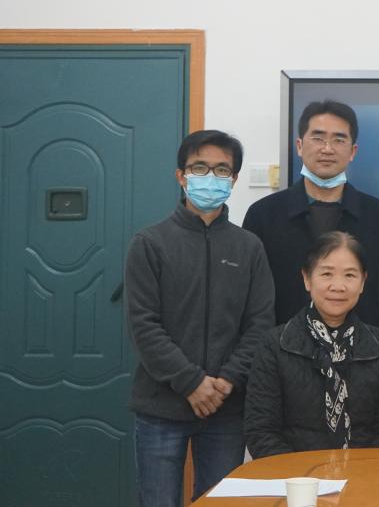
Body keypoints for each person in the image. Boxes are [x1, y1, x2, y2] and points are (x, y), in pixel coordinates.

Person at [124, 130, 275, 507]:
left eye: (222, 170)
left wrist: (227, 380)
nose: (211, 177)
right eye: (200, 168)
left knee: (218, 503)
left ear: (234, 180)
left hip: (226, 408)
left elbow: (260, 323)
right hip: (161, 405)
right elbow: (144, 325)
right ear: (181, 176)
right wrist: (191, 382)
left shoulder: (249, 247)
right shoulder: (150, 243)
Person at [243, 100, 379, 364]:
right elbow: (250, 304)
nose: (327, 149)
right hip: (283, 364)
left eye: (339, 140)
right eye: (318, 137)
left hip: (362, 364)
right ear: (300, 146)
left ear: (353, 151)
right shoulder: (263, 215)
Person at [245, 232, 379, 457]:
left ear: (363, 282)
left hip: (365, 473)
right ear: (307, 279)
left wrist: (362, 471)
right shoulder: (274, 345)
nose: (338, 286)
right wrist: (303, 475)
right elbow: (261, 431)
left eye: (350, 275)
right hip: (294, 475)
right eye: (326, 274)